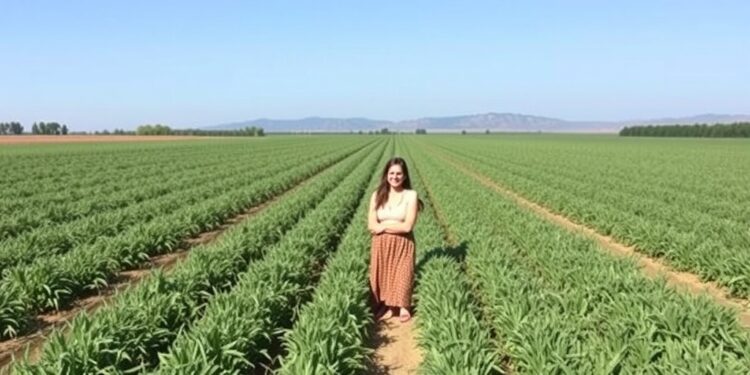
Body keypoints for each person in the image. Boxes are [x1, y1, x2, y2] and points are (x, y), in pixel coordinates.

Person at [368, 157, 421, 323]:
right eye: (392, 173)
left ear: (404, 176)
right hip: (381, 243)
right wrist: (386, 227)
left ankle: (404, 306)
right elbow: (371, 225)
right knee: (385, 275)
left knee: (404, 273)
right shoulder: (377, 195)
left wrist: (383, 226)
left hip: (403, 242)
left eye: (399, 174)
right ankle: (390, 307)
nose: (395, 177)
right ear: (386, 175)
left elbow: (407, 227)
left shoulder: (411, 195)